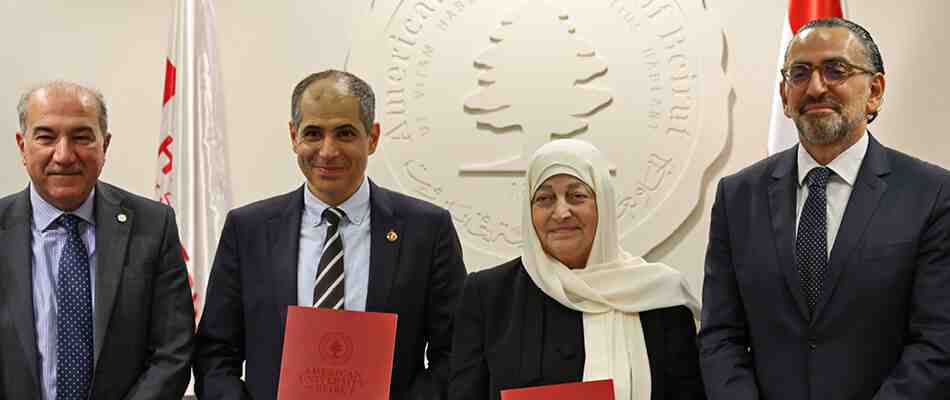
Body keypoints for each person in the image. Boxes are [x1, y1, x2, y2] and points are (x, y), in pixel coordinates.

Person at [700, 18, 950, 400]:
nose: (816, 87)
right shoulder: (737, 196)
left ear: (875, 91)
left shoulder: (932, 194)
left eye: (836, 70)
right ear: (785, 95)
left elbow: (938, 340)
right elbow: (721, 335)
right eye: (800, 74)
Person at [194, 70, 467, 400]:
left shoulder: (427, 230)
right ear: (294, 136)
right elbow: (215, 354)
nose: (327, 150)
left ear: (374, 137)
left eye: (345, 133)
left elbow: (455, 353)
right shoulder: (248, 230)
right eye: (313, 133)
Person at [450, 139, 704, 400]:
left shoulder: (659, 295)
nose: (561, 213)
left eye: (577, 196)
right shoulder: (489, 295)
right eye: (545, 198)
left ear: (602, 203)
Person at [0, 81, 195, 399]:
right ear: (23, 146)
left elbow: (172, 351)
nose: (63, 155)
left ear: (105, 145)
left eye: (81, 137)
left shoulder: (153, 225)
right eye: (46, 137)